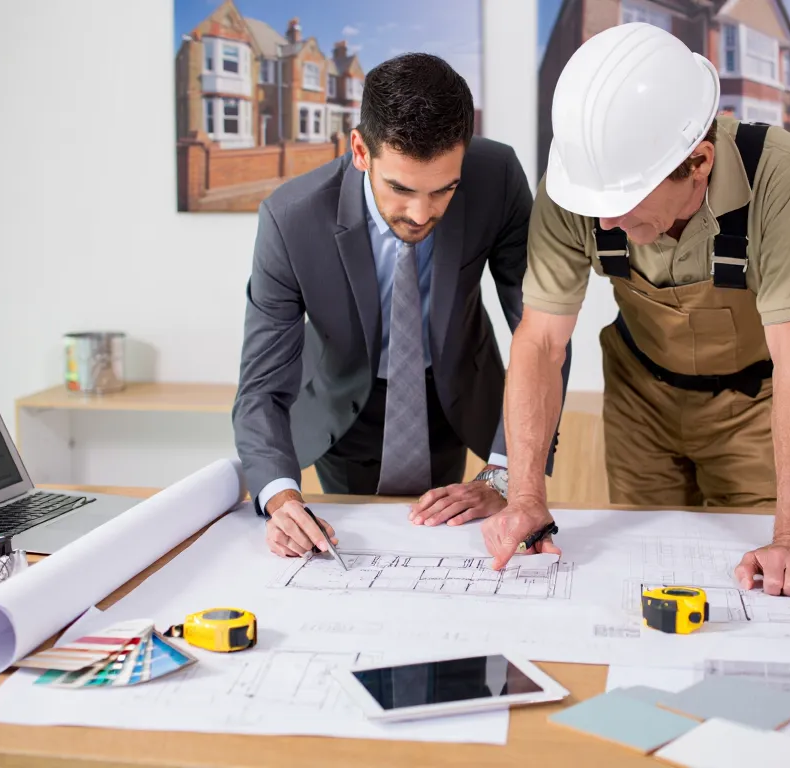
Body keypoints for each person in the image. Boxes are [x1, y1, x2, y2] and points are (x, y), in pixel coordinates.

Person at [482, 24, 790, 597]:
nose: (602, 223)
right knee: (648, 572)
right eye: (595, 204)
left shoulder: (782, 177)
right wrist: (526, 495)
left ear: (699, 161)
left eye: (621, 202)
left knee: (765, 587)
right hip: (641, 401)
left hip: (754, 408)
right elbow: (540, 342)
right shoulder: (578, 188)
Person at [233, 53, 566, 557]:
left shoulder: (495, 178)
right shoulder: (291, 218)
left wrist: (504, 477)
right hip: (343, 408)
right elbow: (260, 385)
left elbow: (543, 331)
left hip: (456, 396)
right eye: (401, 188)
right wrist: (280, 499)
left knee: (450, 548)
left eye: (443, 190)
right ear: (361, 150)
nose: (421, 212)